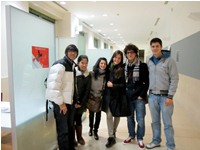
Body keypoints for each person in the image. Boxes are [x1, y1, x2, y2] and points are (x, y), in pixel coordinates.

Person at [146, 38, 179, 150]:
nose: (155, 48)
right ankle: (156, 141)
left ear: (161, 47)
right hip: (152, 96)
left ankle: (170, 146)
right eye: (153, 46)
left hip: (165, 97)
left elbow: (174, 79)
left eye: (157, 46)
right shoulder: (149, 60)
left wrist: (170, 96)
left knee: (167, 123)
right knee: (155, 122)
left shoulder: (169, 60)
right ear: (151, 47)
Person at [45, 44, 78, 150]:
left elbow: (71, 86)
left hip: (69, 103)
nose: (73, 53)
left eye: (75, 51)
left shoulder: (72, 65)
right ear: (66, 52)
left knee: (69, 128)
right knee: (63, 131)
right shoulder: (60, 64)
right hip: (61, 104)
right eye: (70, 51)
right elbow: (53, 87)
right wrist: (61, 104)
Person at [123, 44, 149, 149]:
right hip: (128, 96)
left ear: (136, 53)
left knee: (140, 119)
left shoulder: (142, 66)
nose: (130, 54)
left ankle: (140, 138)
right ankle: (131, 135)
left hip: (138, 97)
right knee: (129, 118)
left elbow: (146, 82)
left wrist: (141, 95)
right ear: (126, 54)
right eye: (128, 52)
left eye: (132, 52)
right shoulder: (124, 66)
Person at [102, 50, 125, 148]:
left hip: (117, 96)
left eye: (119, 58)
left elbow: (123, 85)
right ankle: (111, 136)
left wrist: (113, 85)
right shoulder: (108, 68)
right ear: (113, 57)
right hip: (108, 95)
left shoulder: (122, 69)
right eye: (115, 57)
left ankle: (114, 132)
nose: (117, 59)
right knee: (109, 115)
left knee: (117, 115)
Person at [88, 57, 108, 140]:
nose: (103, 65)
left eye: (104, 64)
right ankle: (90, 129)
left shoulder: (106, 75)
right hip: (92, 97)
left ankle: (96, 130)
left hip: (100, 98)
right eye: (101, 63)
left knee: (98, 116)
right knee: (91, 115)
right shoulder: (92, 73)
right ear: (98, 64)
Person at [73, 55, 91, 146]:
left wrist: (80, 103)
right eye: (82, 63)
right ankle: (73, 139)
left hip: (81, 103)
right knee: (71, 121)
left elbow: (87, 91)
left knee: (78, 119)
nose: (84, 65)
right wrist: (75, 102)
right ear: (78, 63)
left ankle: (79, 137)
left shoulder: (88, 75)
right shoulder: (73, 73)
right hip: (72, 102)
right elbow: (71, 89)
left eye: (86, 63)